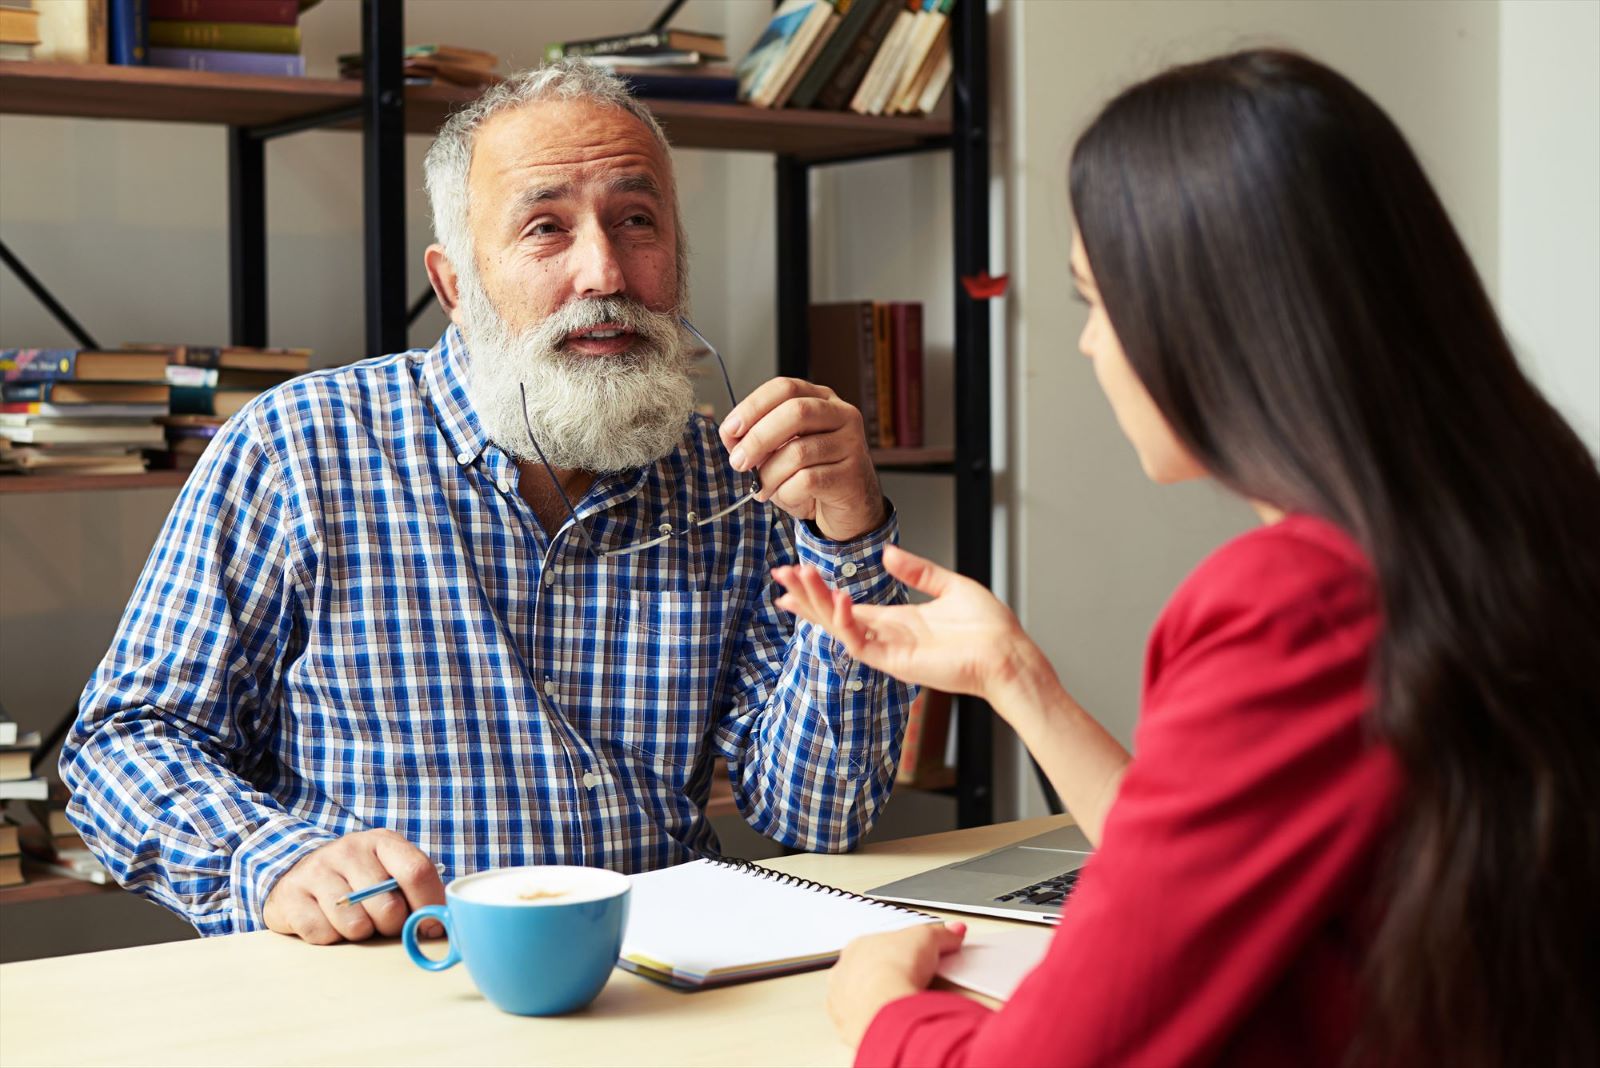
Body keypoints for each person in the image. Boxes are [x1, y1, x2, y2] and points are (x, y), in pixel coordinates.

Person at [775, 49, 1600, 1068]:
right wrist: (1013, 677)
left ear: (1204, 314)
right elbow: (1205, 878)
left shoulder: (1295, 603)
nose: (1088, 347)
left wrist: (881, 1013)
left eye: (1094, 301)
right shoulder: (1527, 522)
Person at [62, 62, 914, 943]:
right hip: (388, 971)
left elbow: (821, 814)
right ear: (456, 287)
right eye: (546, 228)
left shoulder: (727, 475)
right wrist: (271, 861)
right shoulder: (299, 449)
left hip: (647, 980)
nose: (605, 272)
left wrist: (848, 537)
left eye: (637, 221)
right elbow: (122, 745)